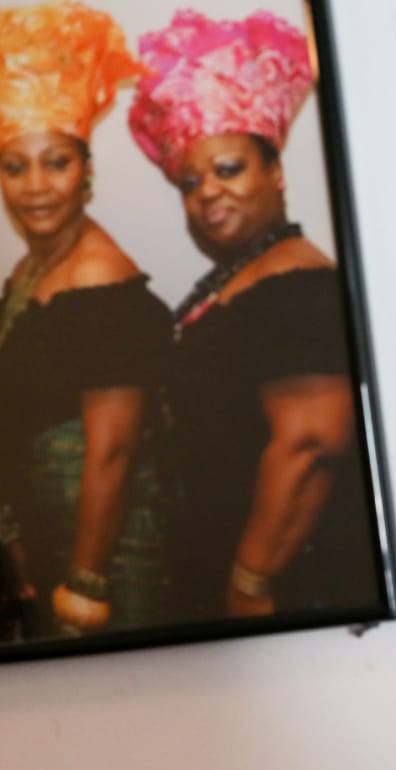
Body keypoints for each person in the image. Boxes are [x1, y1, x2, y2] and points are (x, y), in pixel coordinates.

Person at [128, 10, 375, 622]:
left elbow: (313, 439)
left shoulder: (296, 282)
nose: (207, 190)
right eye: (190, 181)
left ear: (276, 173)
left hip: (282, 587)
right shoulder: (245, 274)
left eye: (228, 168)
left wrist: (249, 582)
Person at [0, 2, 171, 639]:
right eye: (15, 167)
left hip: (107, 567)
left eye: (57, 163)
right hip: (51, 547)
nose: (36, 186)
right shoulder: (29, 269)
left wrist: (85, 588)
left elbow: (115, 452)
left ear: (87, 173)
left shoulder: (100, 281)